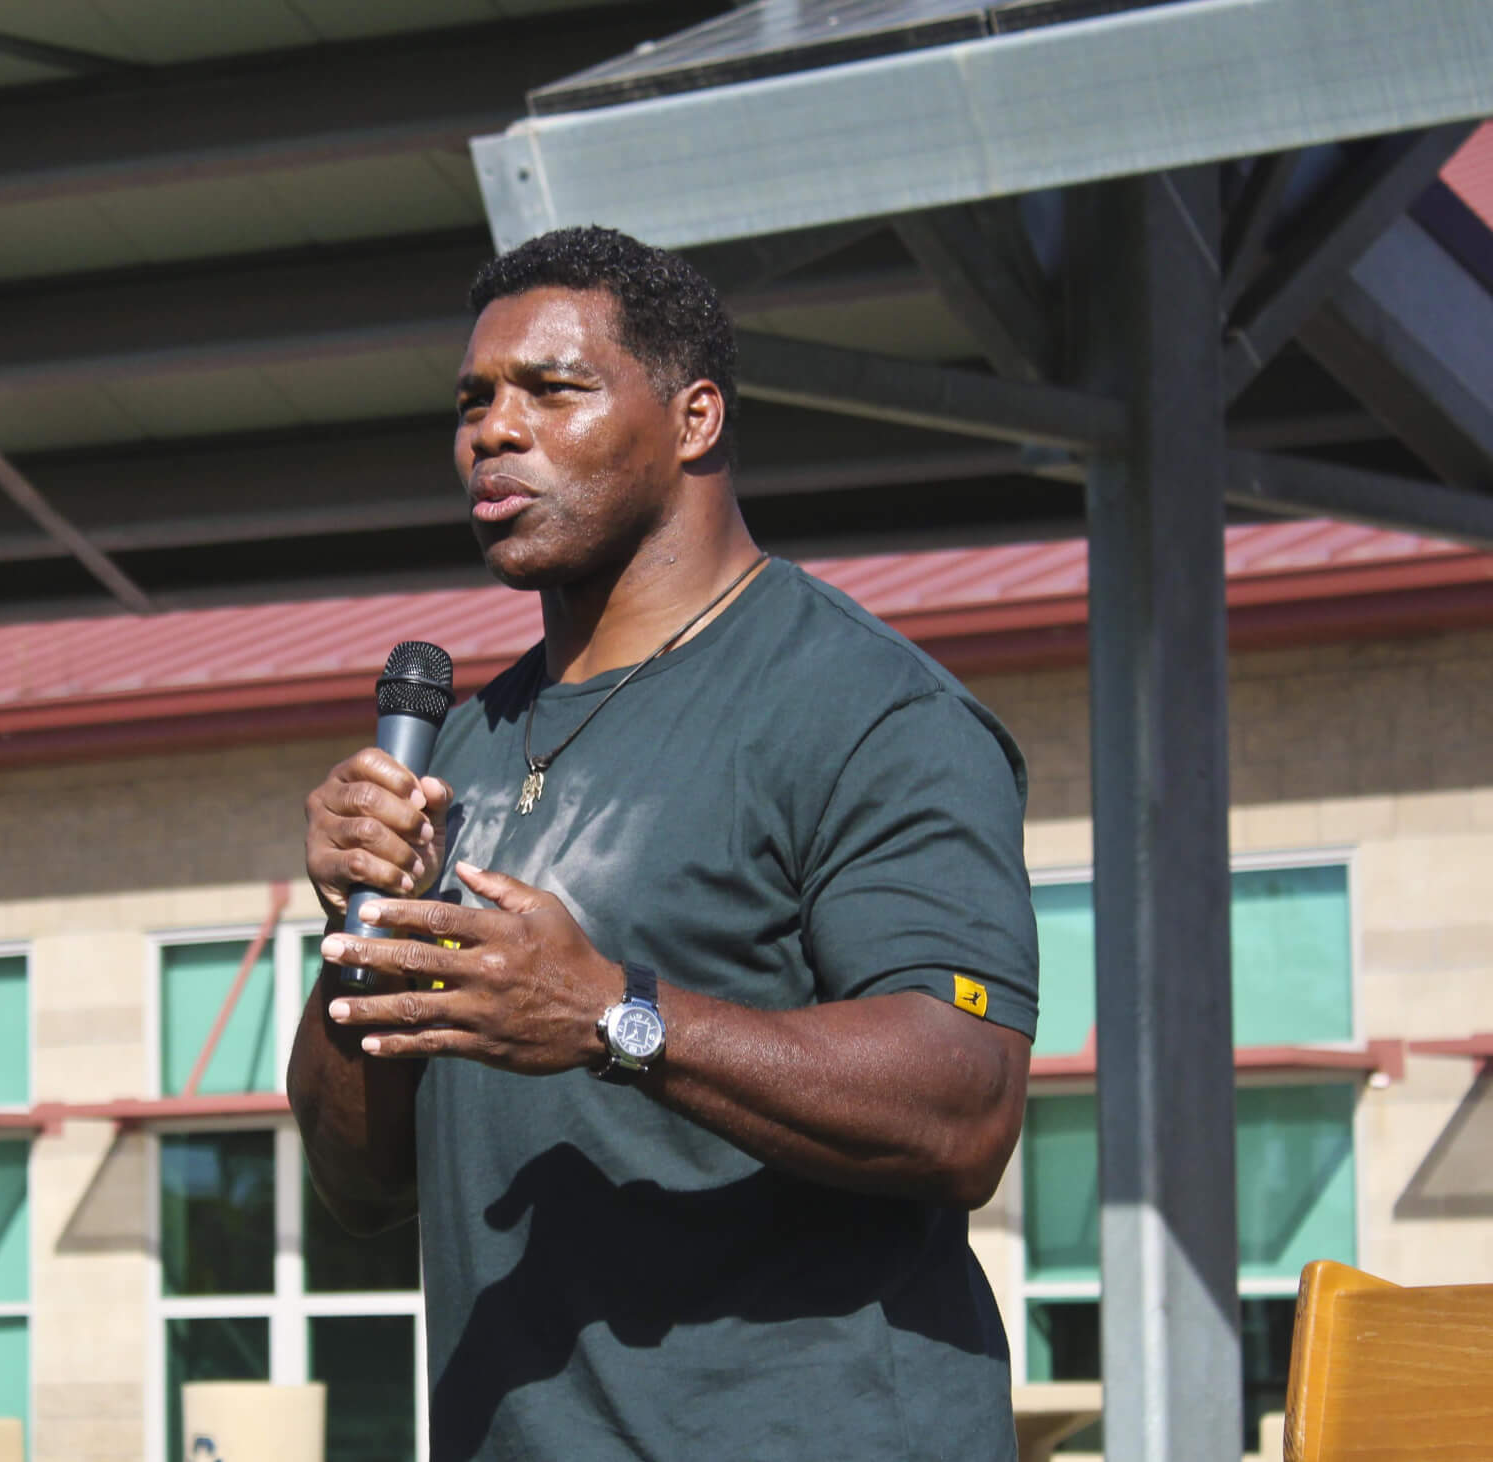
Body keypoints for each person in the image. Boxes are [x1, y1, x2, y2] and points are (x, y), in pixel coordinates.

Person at [288, 226, 1040, 1460]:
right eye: (472, 398)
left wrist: (610, 1015)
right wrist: (354, 933)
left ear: (693, 419)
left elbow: (964, 1105)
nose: (492, 429)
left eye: (552, 388)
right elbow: (357, 1183)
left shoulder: (864, 709)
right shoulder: (457, 751)